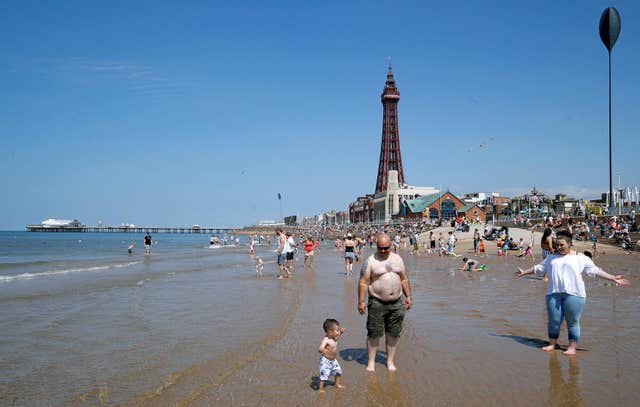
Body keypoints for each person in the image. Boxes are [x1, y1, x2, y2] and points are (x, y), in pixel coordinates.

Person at [515, 230, 629, 355]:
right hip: (553, 294)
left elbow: (595, 271)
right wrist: (524, 272)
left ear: (570, 244)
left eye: (562, 245)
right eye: (557, 245)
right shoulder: (551, 257)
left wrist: (612, 277)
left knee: (573, 322)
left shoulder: (580, 258)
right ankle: (552, 344)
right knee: (554, 321)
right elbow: (538, 268)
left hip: (574, 295)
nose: (559, 247)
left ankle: (572, 347)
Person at [358, 233, 412, 372]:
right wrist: (361, 302)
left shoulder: (398, 259)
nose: (382, 251)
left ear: (391, 245)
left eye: (385, 248)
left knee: (393, 333)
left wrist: (408, 296)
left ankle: (389, 362)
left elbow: (404, 279)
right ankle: (371, 363)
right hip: (377, 302)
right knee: (374, 333)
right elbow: (363, 282)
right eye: (380, 248)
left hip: (396, 303)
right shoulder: (370, 261)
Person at [317, 318, 346, 392]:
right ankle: (321, 389)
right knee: (324, 375)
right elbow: (320, 348)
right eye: (337, 330)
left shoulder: (334, 338)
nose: (338, 331)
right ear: (330, 332)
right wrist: (322, 349)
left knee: (338, 371)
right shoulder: (326, 340)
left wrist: (341, 333)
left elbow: (337, 337)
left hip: (333, 360)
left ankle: (337, 384)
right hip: (325, 361)